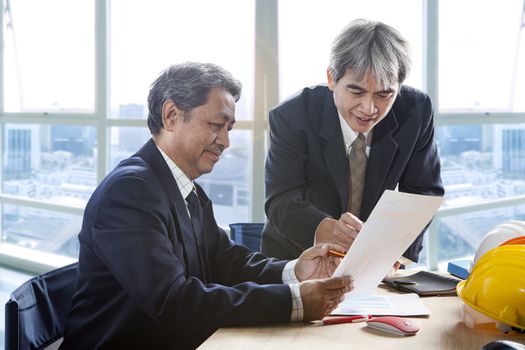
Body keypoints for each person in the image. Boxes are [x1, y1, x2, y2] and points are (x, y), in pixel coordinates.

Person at [60, 62, 352, 350]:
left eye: (229, 128)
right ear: (171, 115)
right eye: (216, 125)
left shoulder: (190, 191)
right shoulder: (129, 192)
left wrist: (295, 272)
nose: (225, 141)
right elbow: (174, 301)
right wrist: (295, 302)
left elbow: (227, 262)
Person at [261, 19, 444, 264]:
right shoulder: (292, 116)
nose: (369, 109)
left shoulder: (416, 110)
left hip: (372, 262)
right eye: (356, 92)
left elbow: (423, 193)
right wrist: (328, 229)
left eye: (384, 94)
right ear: (331, 78)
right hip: (296, 258)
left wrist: (396, 252)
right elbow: (281, 200)